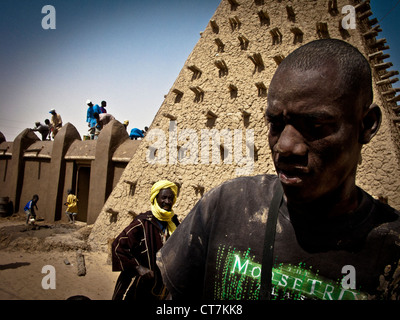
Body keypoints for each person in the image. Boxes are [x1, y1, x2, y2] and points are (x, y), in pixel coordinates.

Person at [156, 39, 400, 300]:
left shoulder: (393, 250)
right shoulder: (226, 205)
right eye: (275, 124)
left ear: (367, 125)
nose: (284, 146)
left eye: (315, 124)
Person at [111, 180, 180, 300]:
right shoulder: (142, 223)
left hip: (163, 286)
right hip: (141, 286)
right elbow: (118, 246)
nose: (167, 202)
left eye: (170, 198)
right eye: (163, 198)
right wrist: (138, 267)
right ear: (155, 198)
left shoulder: (173, 222)